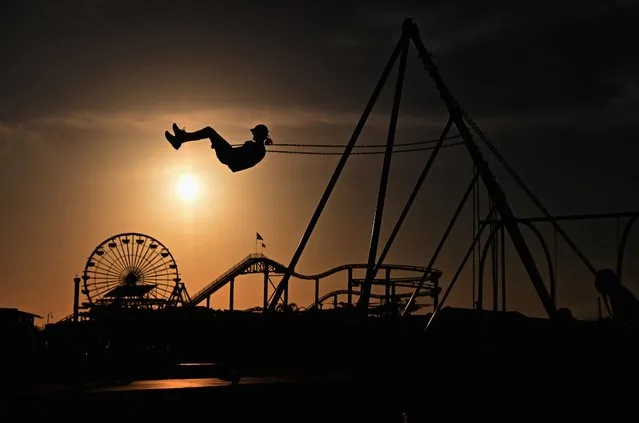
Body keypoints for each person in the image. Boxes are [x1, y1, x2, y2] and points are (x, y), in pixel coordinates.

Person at [165, 123, 273, 173]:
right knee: (209, 132)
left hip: (230, 157)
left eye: (255, 133)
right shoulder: (257, 148)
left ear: (259, 134)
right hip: (230, 155)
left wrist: (252, 145)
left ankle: (180, 139)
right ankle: (180, 139)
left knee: (209, 131)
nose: (253, 134)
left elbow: (245, 160)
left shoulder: (259, 150)